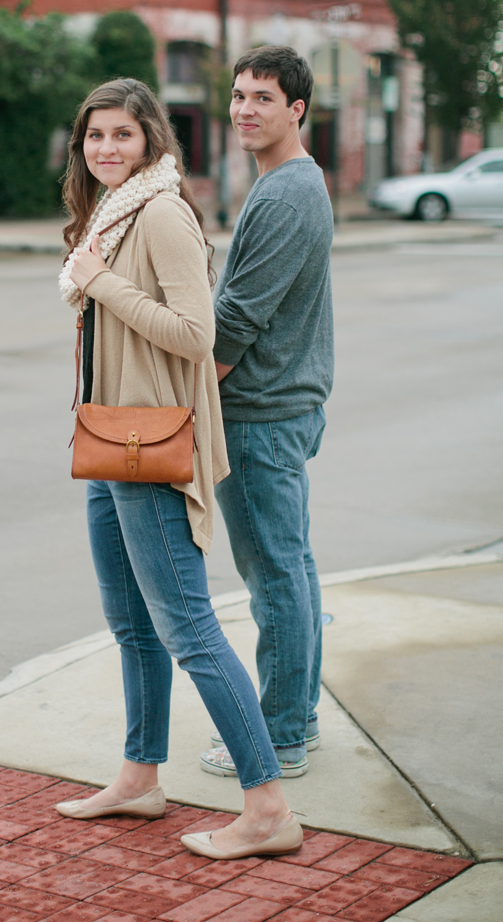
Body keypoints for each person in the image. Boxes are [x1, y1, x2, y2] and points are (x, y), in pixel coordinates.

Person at [55, 78, 303, 860]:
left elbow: (196, 335)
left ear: (151, 139)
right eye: (95, 136)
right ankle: (139, 777)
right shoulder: (110, 210)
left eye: (122, 135)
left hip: (151, 443)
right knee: (132, 626)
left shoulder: (159, 212)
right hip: (107, 437)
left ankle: (267, 805)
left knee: (188, 627)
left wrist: (102, 284)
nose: (106, 149)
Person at [200, 46, 334, 782]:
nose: (246, 109)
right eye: (239, 94)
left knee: (276, 579)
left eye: (263, 98)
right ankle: (300, 718)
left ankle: (279, 736)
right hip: (286, 407)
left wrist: (191, 402)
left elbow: (233, 327)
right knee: (294, 570)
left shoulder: (283, 196)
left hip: (257, 417)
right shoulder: (298, 183)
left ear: (297, 110)